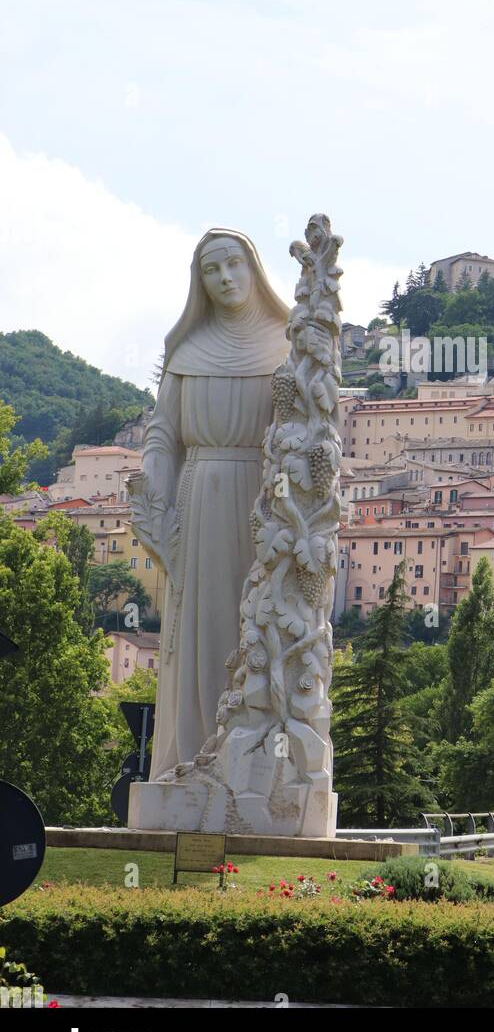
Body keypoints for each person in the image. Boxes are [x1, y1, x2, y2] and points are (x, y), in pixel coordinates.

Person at [129, 229, 289, 778]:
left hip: (262, 504)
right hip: (197, 499)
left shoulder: (287, 345)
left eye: (233, 264)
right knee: (199, 629)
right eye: (211, 270)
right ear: (200, 282)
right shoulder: (187, 350)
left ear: (254, 269)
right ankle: (192, 758)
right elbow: (162, 433)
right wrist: (152, 482)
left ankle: (254, 762)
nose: (224, 278)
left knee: (256, 624)